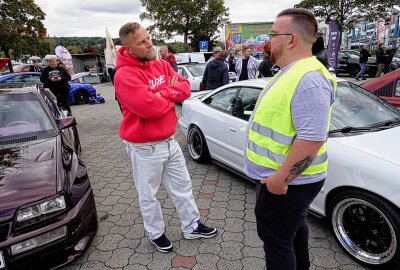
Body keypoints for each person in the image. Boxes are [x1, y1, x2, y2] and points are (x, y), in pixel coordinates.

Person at [244, 8, 336, 270]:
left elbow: (312, 139)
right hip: (287, 180)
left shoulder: (309, 80)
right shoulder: (293, 72)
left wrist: (280, 180)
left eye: (273, 34)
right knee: (293, 232)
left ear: (292, 39)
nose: (268, 41)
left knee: (276, 243)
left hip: (289, 182)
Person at [114, 22, 217, 253]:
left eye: (148, 37)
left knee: (183, 187)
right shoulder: (125, 75)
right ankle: (156, 233)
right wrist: (167, 95)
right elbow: (150, 109)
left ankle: (192, 227)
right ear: (128, 49)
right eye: (141, 42)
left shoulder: (160, 63)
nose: (149, 43)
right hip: (144, 147)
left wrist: (161, 93)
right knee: (148, 195)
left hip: (169, 142)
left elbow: (184, 89)